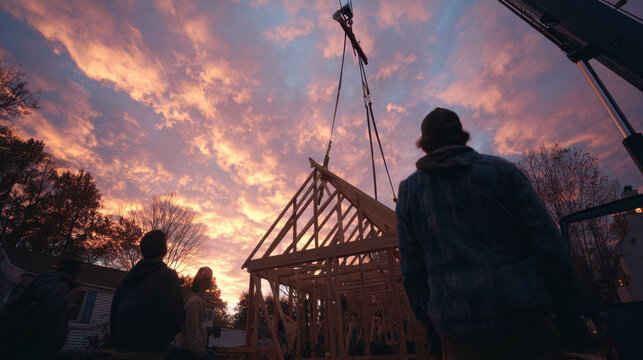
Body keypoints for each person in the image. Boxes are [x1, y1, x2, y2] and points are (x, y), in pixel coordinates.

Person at [395, 107, 586, 360]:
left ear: (425, 144)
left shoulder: (409, 192)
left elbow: (413, 274)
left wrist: (432, 328)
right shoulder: (501, 172)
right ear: (461, 136)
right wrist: (569, 315)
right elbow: (551, 248)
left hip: (461, 337)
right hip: (527, 327)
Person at [110, 230, 185, 358]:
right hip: (150, 352)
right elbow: (175, 316)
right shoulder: (168, 276)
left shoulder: (128, 277)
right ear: (164, 251)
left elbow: (114, 311)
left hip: (121, 351)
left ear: (142, 251)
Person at [0, 258, 82, 360]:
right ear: (72, 274)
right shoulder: (58, 288)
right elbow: (44, 323)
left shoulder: (44, 281)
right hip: (33, 349)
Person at [173, 267, 217, 360]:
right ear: (197, 279)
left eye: (210, 279)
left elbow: (199, 326)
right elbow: (192, 333)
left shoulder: (199, 299)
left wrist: (211, 330)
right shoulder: (195, 301)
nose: (209, 282)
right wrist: (201, 354)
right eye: (206, 279)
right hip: (189, 353)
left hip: (192, 350)